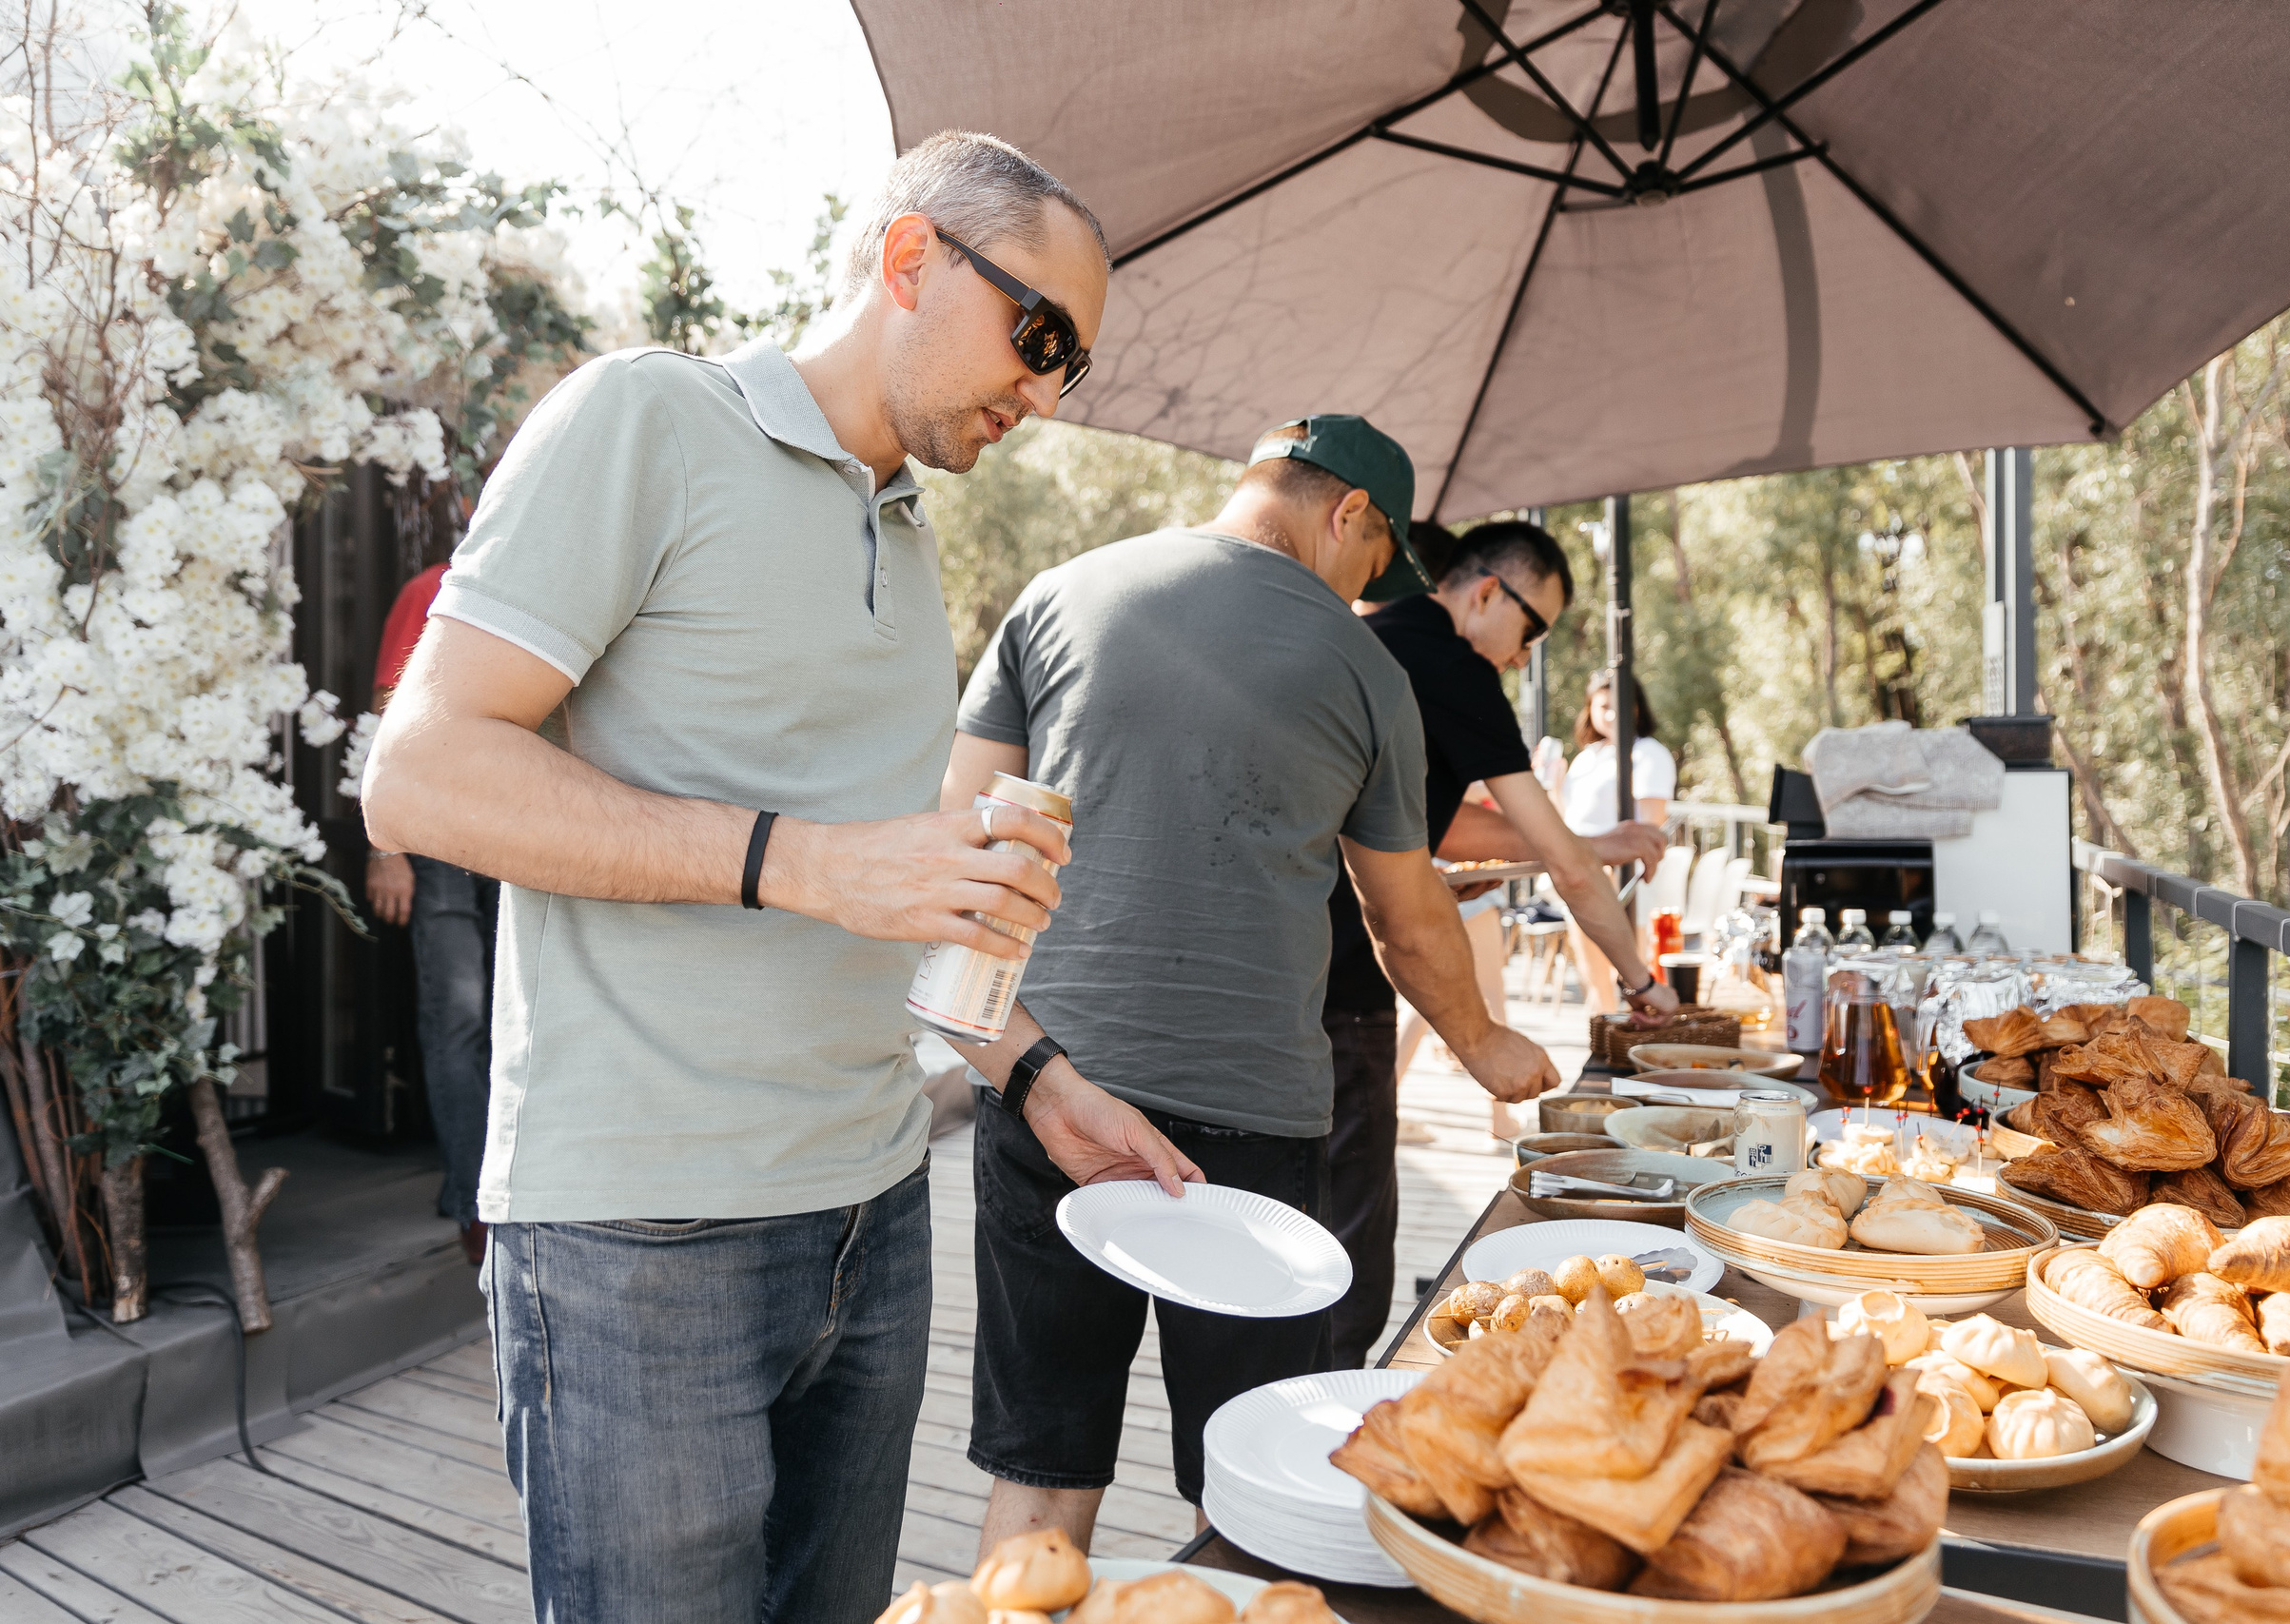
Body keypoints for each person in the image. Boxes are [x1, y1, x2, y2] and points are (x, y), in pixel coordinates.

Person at [361, 131, 1196, 1624]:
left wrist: (1035, 1074)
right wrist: (809, 863)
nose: (1049, 392)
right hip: (641, 1243)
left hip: (876, 1212)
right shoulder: (646, 419)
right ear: (908, 260)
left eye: (1075, 366)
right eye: (1041, 336)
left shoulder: (902, 523)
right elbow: (420, 772)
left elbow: (883, 895)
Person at [945, 415, 1562, 1553]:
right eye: (1374, 566)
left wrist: (1013, 1058)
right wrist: (1484, 1045)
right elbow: (1406, 918)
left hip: (1045, 1091)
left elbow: (957, 848)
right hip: (1248, 1127)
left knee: (1039, 1470)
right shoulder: (1365, 666)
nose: (1364, 591)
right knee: (1245, 1483)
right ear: (1350, 517)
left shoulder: (1060, 593)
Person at [1321, 520, 1675, 1368]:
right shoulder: (1454, 664)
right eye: (1533, 629)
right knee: (1350, 1267)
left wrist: (1599, 843)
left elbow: (1442, 824)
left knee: (1324, 1244)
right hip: (1340, 984)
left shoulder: (1380, 641)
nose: (1525, 656)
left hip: (1291, 976)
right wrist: (1642, 983)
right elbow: (1565, 866)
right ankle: (1319, 1445)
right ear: (1486, 592)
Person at [363, 561, 499, 1268]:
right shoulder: (432, 588)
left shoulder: (541, 580)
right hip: (439, 836)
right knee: (460, 1015)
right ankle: (471, 1201)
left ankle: (510, 1194)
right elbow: (387, 719)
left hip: (522, 832)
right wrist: (384, 847)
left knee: (518, 1017)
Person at [1555, 671, 1677, 1013]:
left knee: (1629, 973)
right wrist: (1553, 785)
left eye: (1619, 705)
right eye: (1603, 705)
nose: (1611, 714)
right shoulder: (1587, 757)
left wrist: (1612, 861)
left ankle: (1624, 1036)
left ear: (1637, 708)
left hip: (1623, 879)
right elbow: (1567, 821)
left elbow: (1651, 823)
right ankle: (1605, 1036)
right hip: (1579, 875)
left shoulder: (1648, 753)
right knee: (1593, 976)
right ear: (1590, 708)